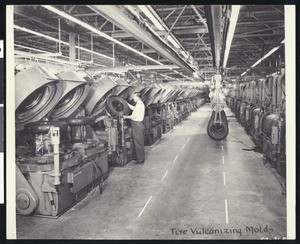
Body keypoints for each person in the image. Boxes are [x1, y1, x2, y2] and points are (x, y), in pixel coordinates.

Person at [124, 92, 145, 164]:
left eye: (134, 97)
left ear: (138, 97)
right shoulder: (139, 104)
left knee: (138, 142)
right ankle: (139, 157)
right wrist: (126, 103)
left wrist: (125, 117)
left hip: (137, 124)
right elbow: (134, 108)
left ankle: (140, 159)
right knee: (137, 141)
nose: (133, 98)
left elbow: (134, 116)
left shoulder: (140, 104)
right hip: (137, 124)